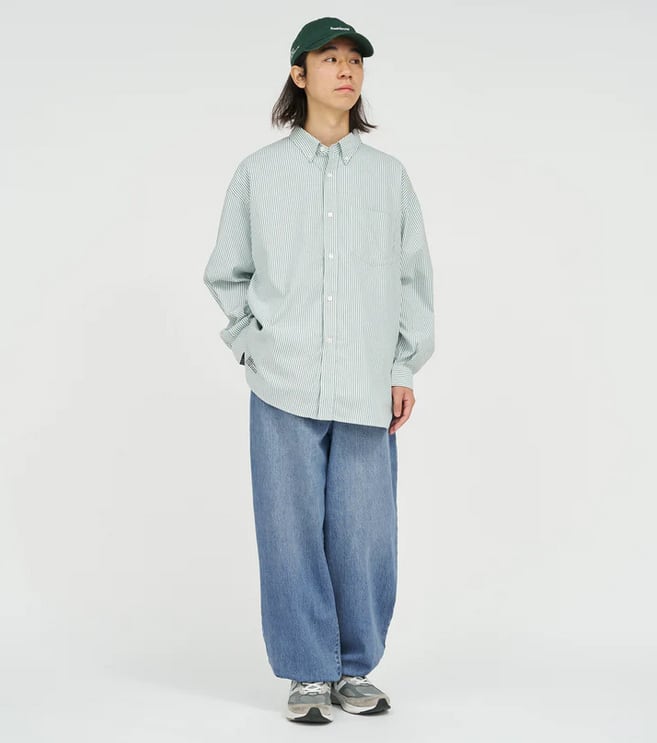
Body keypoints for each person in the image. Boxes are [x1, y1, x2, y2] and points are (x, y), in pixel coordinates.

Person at [203, 16, 435, 724]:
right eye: (329, 59)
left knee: (365, 533)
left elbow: (412, 279)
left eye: (354, 60)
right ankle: (308, 671)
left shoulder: (388, 178)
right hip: (282, 380)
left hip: (366, 383)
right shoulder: (259, 173)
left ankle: (353, 665)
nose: (345, 70)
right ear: (298, 75)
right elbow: (228, 272)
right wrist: (252, 345)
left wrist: (403, 366)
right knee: (289, 530)